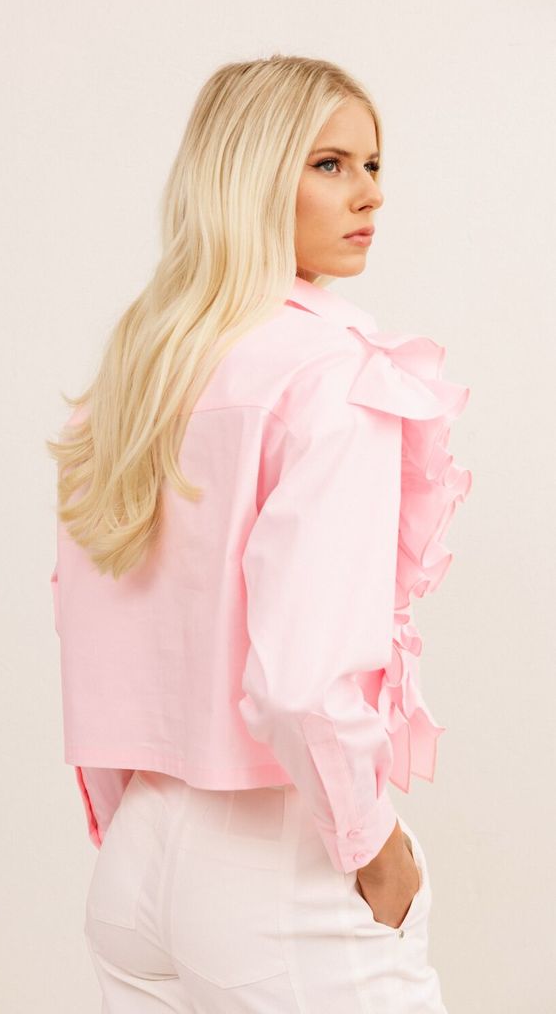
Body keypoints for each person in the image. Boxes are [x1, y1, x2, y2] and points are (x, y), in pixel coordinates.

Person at [46, 53, 472, 1013]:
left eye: (372, 164)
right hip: (281, 869)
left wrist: (135, 829)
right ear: (250, 175)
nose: (370, 193)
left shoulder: (138, 375)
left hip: (136, 861)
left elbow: (93, 636)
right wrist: (374, 847)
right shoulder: (332, 375)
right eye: (329, 164)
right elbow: (301, 682)